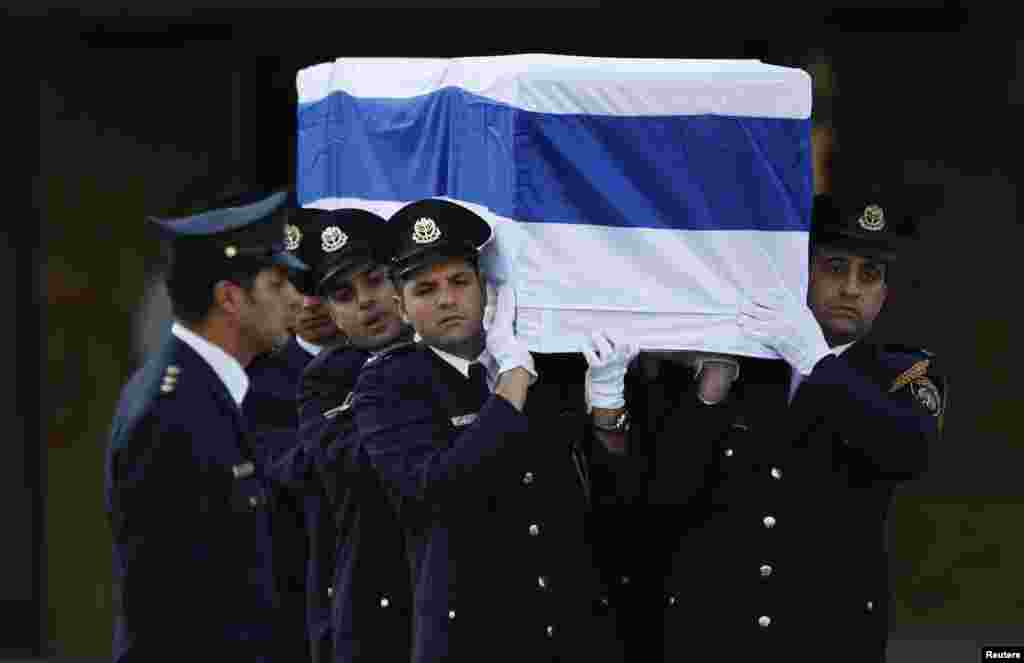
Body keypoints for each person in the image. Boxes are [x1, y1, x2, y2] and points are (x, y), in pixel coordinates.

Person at [616, 191, 948, 661]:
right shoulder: (744, 359)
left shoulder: (902, 373)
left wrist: (816, 364)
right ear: (804, 272)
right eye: (834, 268)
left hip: (826, 636)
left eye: (869, 275)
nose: (851, 288)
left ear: (884, 293)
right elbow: (663, 496)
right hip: (713, 636)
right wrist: (709, 395)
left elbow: (908, 451)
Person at [350, 198, 626, 663]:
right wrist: (512, 382)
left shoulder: (544, 360)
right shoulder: (387, 385)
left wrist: (606, 406)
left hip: (574, 630)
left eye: (460, 281)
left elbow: (606, 493)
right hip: (477, 636)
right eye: (425, 289)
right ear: (401, 304)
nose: (445, 299)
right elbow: (439, 488)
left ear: (485, 288)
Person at [105, 187, 309, 662]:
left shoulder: (209, 392)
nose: (295, 300)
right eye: (277, 285)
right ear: (231, 298)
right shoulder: (169, 411)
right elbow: (163, 611)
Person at [291, 207, 414, 663]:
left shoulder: (454, 358)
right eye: (344, 294)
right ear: (332, 313)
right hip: (381, 619)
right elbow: (366, 471)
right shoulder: (325, 382)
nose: (366, 301)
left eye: (375, 280)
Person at [244, 204, 349, 663]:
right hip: (301, 598)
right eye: (291, 285)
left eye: (319, 284)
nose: (307, 302)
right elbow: (291, 473)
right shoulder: (258, 382)